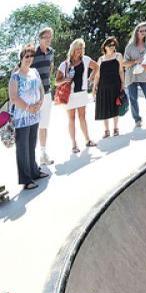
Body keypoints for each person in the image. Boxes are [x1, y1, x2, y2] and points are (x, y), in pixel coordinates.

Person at [10, 44, 48, 191]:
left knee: (32, 145)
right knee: (22, 149)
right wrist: (28, 107)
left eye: (32, 56)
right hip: (22, 117)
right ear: (21, 58)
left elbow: (41, 89)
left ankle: (34, 171)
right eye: (27, 56)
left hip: (35, 115)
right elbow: (13, 97)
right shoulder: (15, 75)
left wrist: (40, 102)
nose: (30, 59)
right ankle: (26, 180)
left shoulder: (35, 72)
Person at [55, 38, 97, 153]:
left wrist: (90, 79)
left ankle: (88, 140)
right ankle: (74, 145)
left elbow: (96, 67)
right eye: (77, 48)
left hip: (82, 93)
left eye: (81, 48)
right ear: (72, 49)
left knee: (82, 117)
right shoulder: (64, 64)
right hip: (70, 95)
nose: (79, 51)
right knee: (71, 119)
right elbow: (56, 82)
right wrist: (65, 79)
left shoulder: (86, 59)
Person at [123, 23, 146, 127]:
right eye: (141, 31)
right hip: (132, 76)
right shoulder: (129, 46)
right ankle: (137, 120)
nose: (143, 33)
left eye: (145, 31)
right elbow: (124, 63)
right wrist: (136, 61)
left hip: (145, 74)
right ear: (136, 32)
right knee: (133, 98)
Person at [30, 27, 55, 165]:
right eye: (46, 37)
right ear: (40, 38)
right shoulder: (32, 53)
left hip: (47, 94)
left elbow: (50, 68)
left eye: (50, 37)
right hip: (34, 96)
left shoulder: (51, 52)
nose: (48, 39)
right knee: (33, 126)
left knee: (44, 125)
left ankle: (43, 154)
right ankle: (31, 159)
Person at [92, 37, 125, 138]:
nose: (112, 47)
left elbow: (120, 71)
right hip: (103, 86)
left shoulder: (118, 56)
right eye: (110, 45)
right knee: (104, 108)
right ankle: (106, 131)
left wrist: (123, 83)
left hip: (115, 85)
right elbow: (97, 75)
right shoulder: (101, 59)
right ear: (105, 47)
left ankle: (115, 129)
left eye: (113, 45)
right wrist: (94, 87)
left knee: (115, 106)